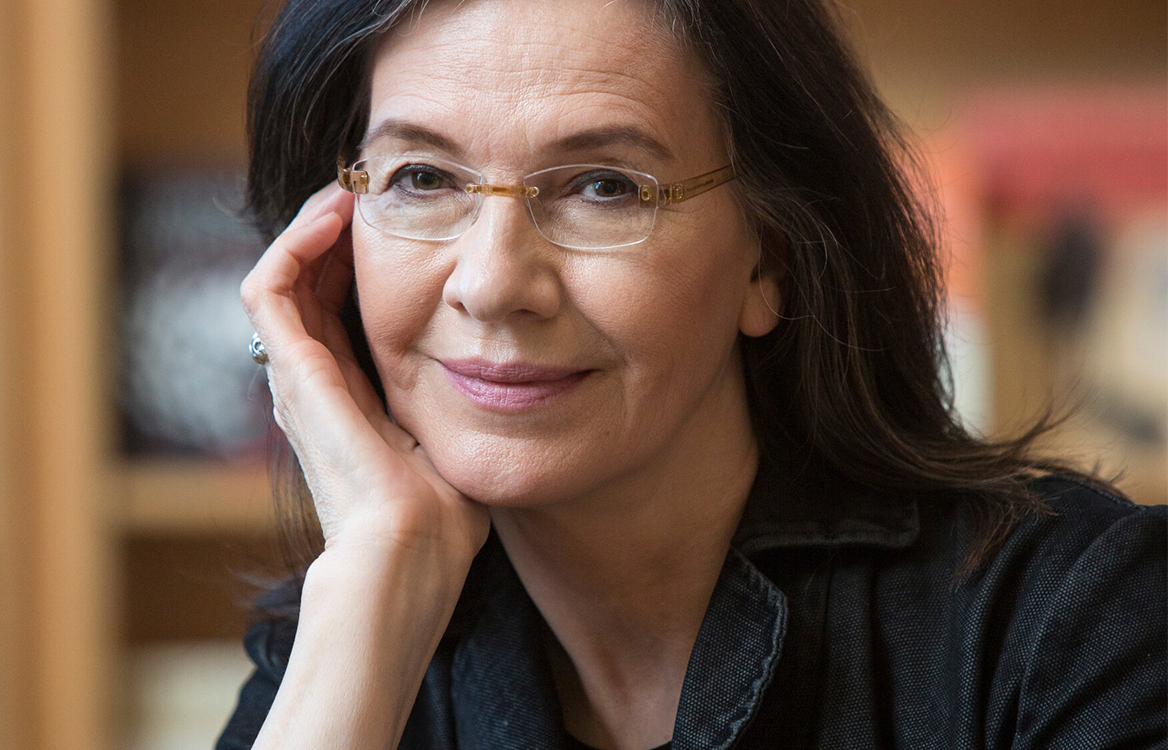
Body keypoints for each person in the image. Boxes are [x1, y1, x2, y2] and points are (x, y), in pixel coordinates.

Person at [219, 0, 1167, 748]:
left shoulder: (1074, 625)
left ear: (771, 259)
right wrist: (371, 591)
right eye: (422, 178)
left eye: (604, 187)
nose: (494, 283)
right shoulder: (353, 634)